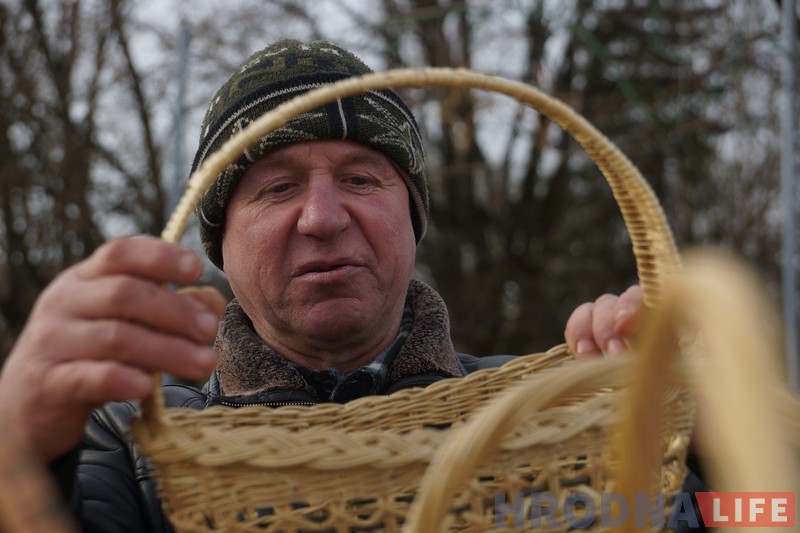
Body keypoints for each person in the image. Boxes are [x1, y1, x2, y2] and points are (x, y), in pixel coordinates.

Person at [0, 39, 652, 531]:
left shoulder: (544, 415)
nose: (322, 217)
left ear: (412, 218)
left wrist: (710, 435)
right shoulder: (131, 441)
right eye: (278, 188)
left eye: (362, 179)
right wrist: (20, 453)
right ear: (221, 242)